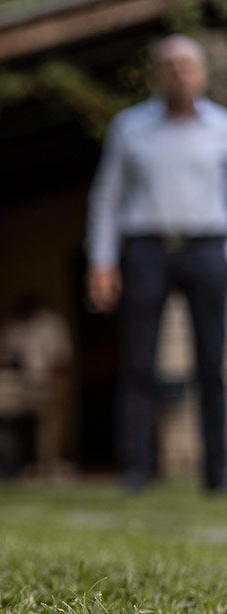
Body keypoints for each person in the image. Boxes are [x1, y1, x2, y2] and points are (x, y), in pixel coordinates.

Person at [86, 35, 227, 494]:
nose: (181, 73)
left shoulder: (222, 127)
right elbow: (107, 198)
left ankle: (218, 471)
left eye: (188, 65)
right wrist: (102, 262)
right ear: (156, 75)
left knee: (212, 364)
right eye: (171, 66)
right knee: (139, 363)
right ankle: (136, 468)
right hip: (146, 249)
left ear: (203, 73)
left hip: (208, 248)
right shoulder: (131, 128)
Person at [0, 295, 73, 477]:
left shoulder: (51, 323)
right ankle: (23, 464)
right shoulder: (12, 325)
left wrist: (57, 385)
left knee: (48, 429)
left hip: (47, 382)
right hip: (19, 385)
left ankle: (48, 464)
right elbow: (2, 355)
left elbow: (62, 358)